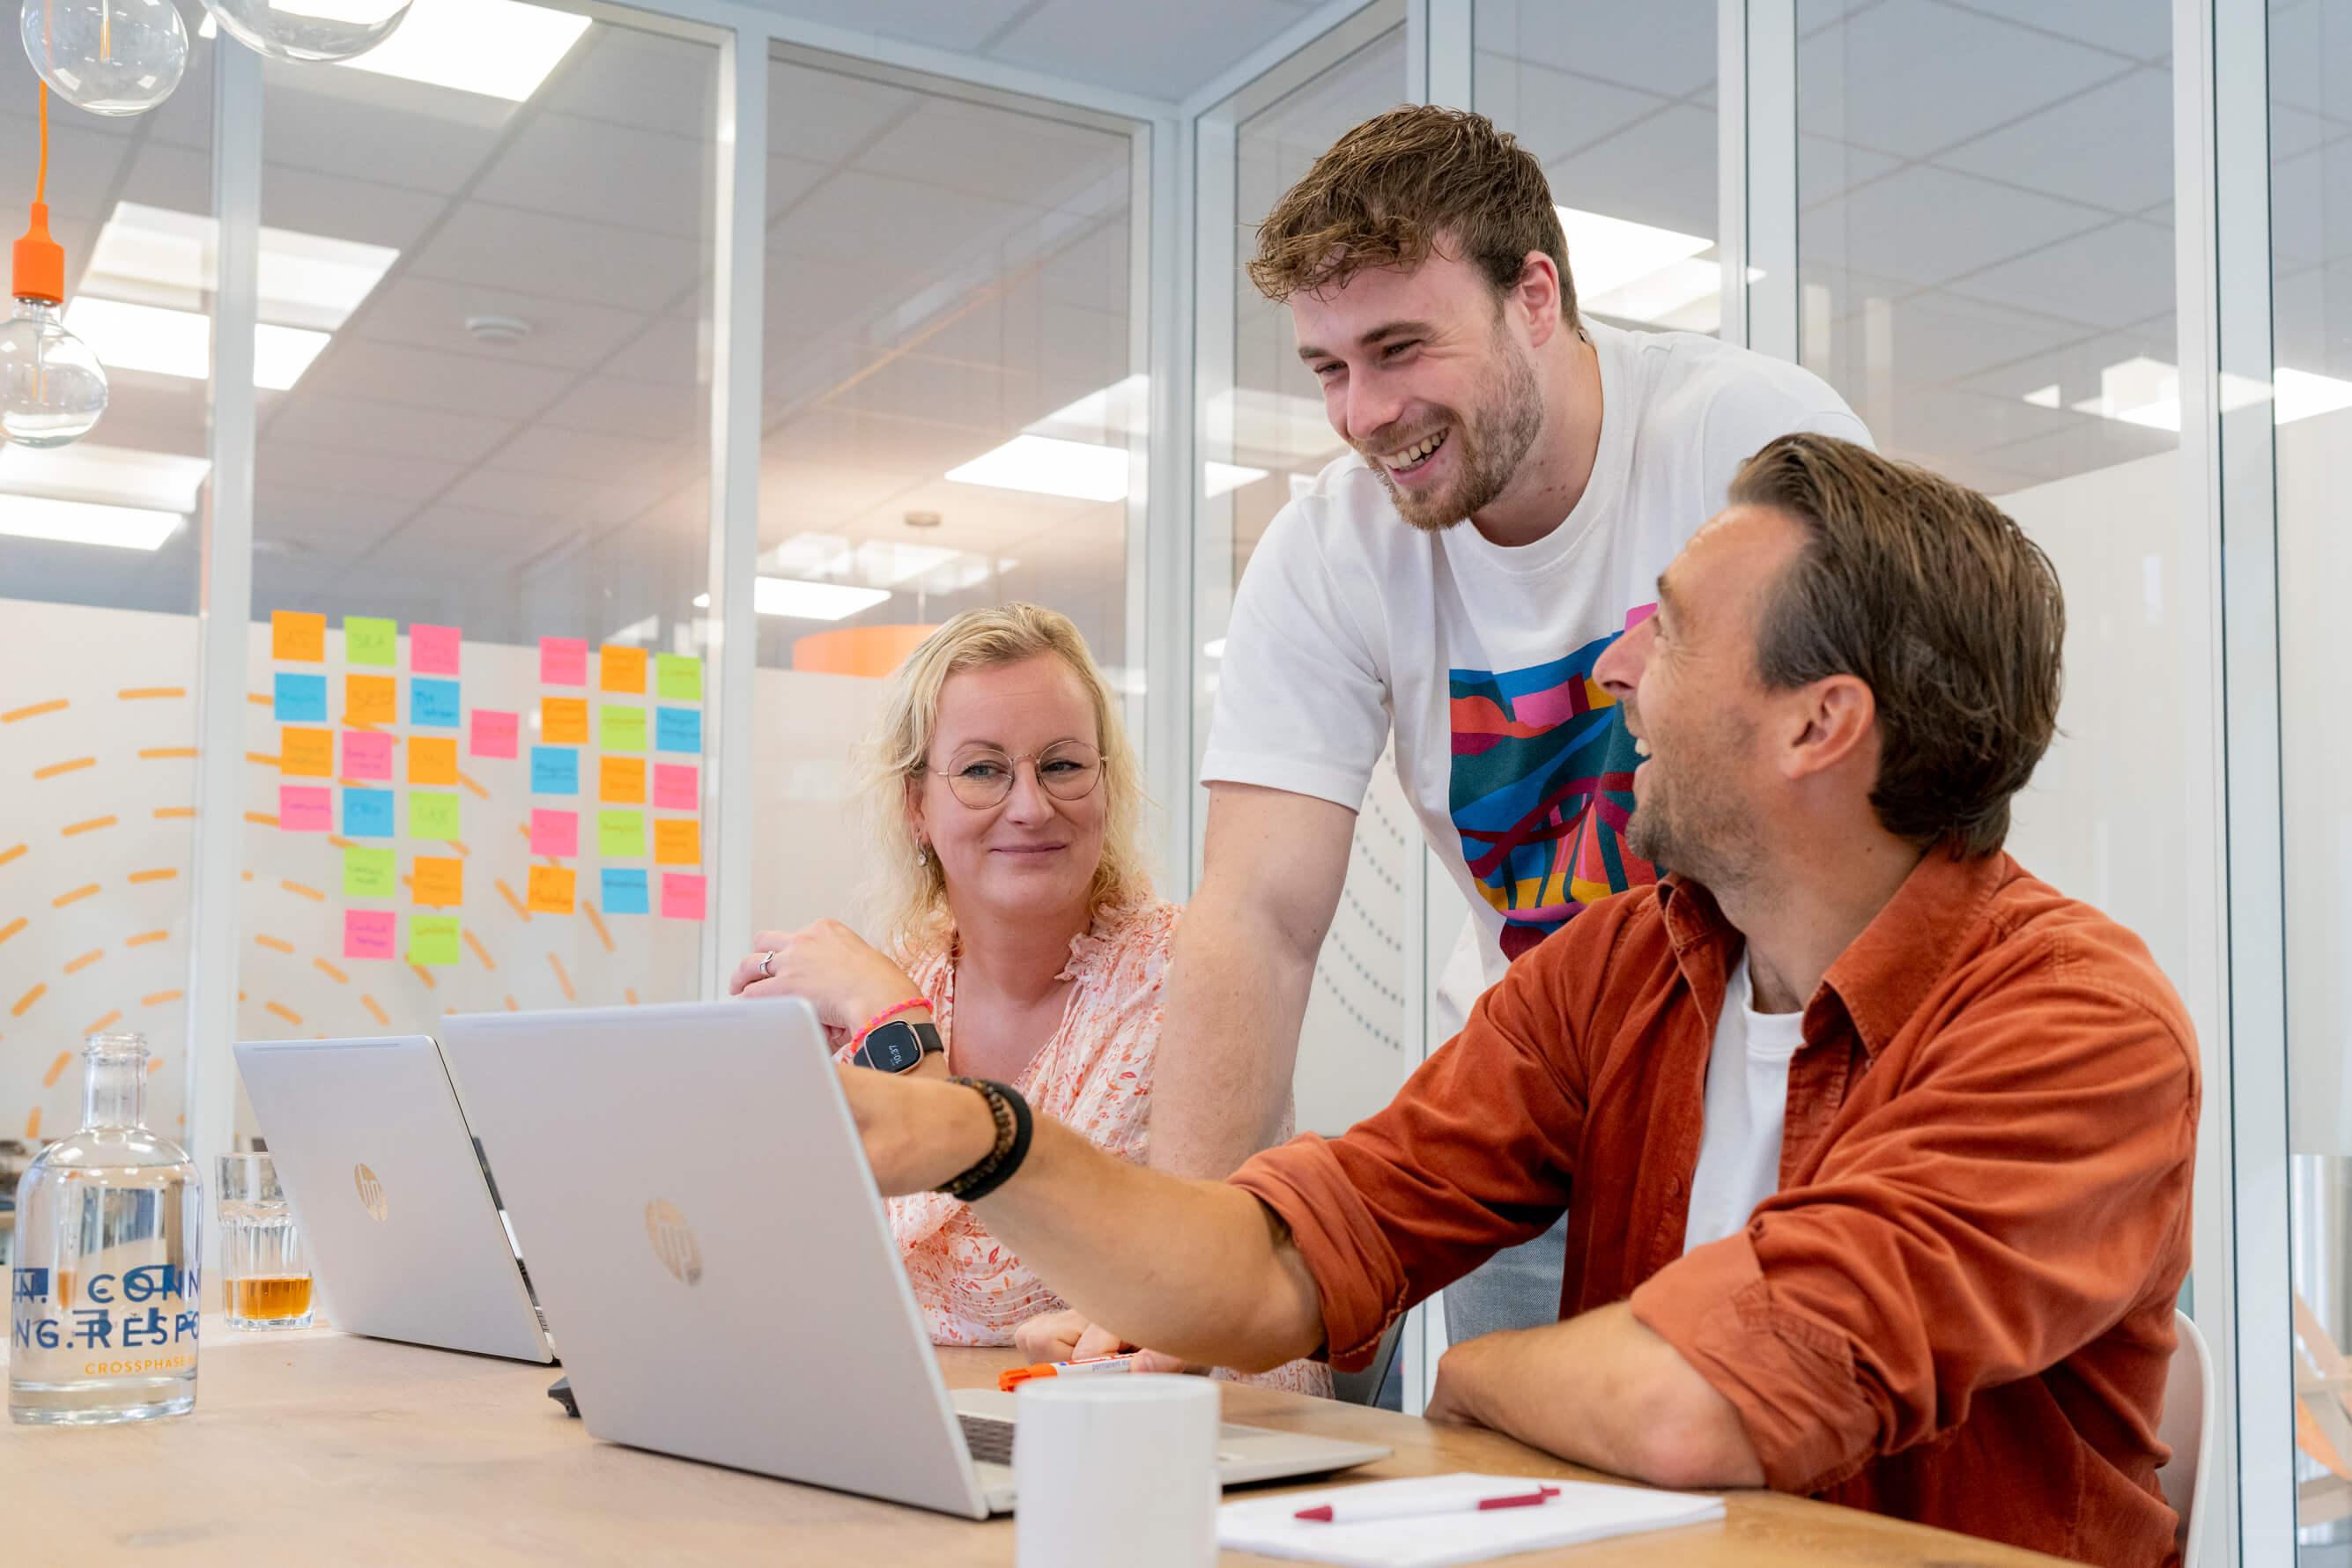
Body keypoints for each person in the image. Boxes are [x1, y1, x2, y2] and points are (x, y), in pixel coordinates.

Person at [821, 436, 2200, 1568]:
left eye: (1669, 633)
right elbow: (1280, 1260)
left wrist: (1480, 1378)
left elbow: (1689, 1407)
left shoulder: (2074, 1026)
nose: (1613, 673)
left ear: (1814, 725)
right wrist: (978, 1138)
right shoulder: (1619, 970)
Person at [1151, 105, 1873, 1350]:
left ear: (1533, 296)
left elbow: (1874, 807)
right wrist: (1185, 1298)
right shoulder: (1330, 547)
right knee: (1520, 1488)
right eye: (1328, 368)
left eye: (1397, 348)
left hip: (1792, 1077)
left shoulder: (1741, 440)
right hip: (1549, 1105)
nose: (1361, 414)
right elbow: (1256, 921)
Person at [728, 603, 1326, 1394]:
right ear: (916, 806)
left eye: (1063, 764)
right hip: (965, 1428)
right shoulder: (904, 975)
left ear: (1106, 785)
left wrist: (893, 1024)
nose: (1031, 806)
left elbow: (1014, 1272)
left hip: (1203, 1441)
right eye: (982, 770)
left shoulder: (1188, 974)